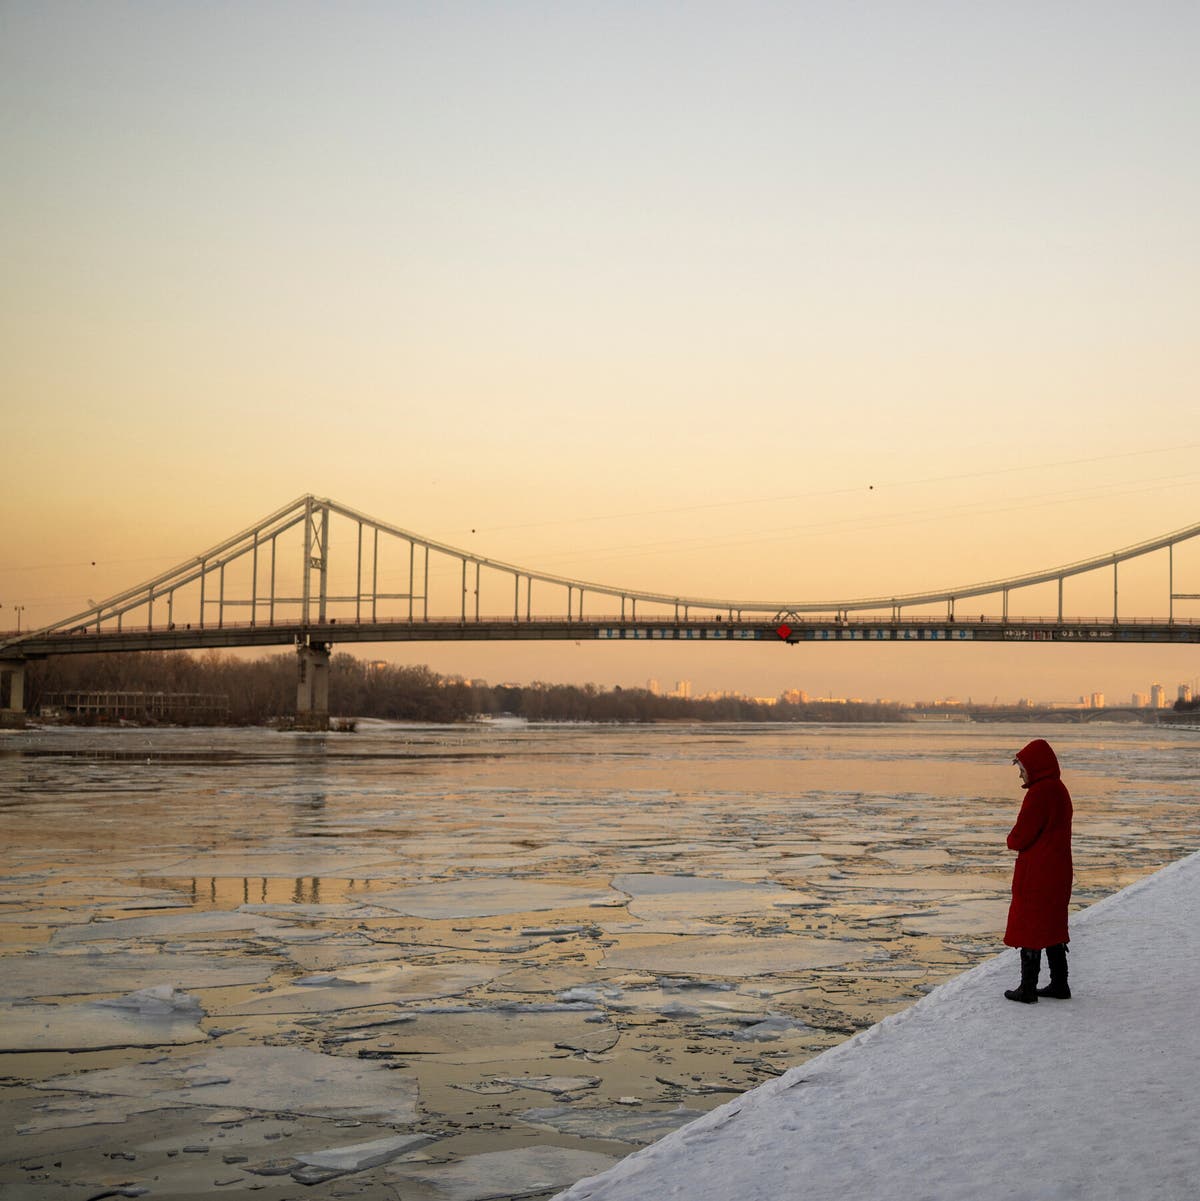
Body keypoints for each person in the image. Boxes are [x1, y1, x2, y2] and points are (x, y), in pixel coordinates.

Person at [1003, 738, 1073, 1003]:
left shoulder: (1039, 793)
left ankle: (1027, 988)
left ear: (1034, 766)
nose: (1020, 773)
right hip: (1059, 869)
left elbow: (1020, 837)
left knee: (1029, 925)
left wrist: (1010, 840)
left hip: (1037, 871)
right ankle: (1059, 984)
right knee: (1053, 923)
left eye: (1022, 767)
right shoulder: (1059, 789)